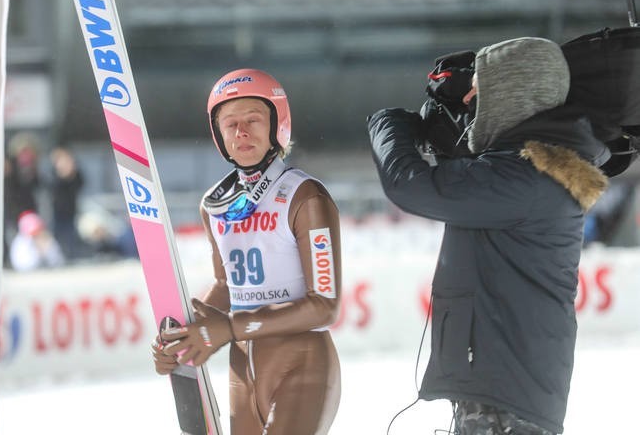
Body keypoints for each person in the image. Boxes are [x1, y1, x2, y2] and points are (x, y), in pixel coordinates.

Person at [367, 37, 610, 435]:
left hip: (506, 400)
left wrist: (388, 124)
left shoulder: (523, 179)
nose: (468, 102)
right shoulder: (532, 169)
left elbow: (409, 185)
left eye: (479, 91)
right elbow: (467, 177)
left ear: (510, 94)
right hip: (508, 390)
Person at [151, 69, 342, 434]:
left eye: (253, 120)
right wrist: (183, 335)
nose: (241, 132)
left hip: (302, 365)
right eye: (230, 124)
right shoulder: (213, 205)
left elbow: (325, 305)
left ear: (277, 125)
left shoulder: (305, 196)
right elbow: (226, 285)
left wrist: (228, 328)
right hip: (244, 370)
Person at [48, 146, 85, 258]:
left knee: (70, 236)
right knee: (58, 236)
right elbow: (54, 188)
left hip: (71, 211)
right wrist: (63, 174)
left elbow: (80, 183)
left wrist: (71, 173)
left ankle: (70, 255)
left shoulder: (74, 176)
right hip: (56, 213)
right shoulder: (53, 175)